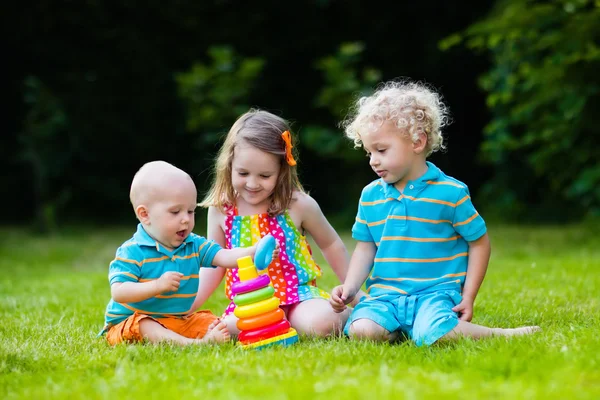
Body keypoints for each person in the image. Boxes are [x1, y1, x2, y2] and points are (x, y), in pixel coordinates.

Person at [330, 79, 540, 346]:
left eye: (381, 150)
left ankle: (501, 335)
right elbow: (366, 247)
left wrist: (469, 296)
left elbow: (479, 242)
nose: (373, 160)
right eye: (369, 151)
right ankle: (399, 328)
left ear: (417, 142)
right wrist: (349, 288)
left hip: (435, 294)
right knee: (362, 331)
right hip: (385, 296)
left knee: (435, 334)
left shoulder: (450, 193)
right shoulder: (371, 195)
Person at [194, 109, 361, 337]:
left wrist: (355, 292)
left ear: (282, 171)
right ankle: (274, 324)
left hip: (298, 297)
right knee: (226, 329)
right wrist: (188, 306)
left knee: (321, 323)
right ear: (229, 164)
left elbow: (331, 245)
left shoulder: (298, 204)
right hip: (252, 302)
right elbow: (214, 264)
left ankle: (339, 317)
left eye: (264, 176)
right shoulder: (222, 209)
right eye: (243, 173)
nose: (252, 184)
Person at [100, 161, 276, 346]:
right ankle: (193, 344)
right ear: (145, 215)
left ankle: (196, 337)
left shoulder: (193, 244)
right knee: (145, 325)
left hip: (175, 321)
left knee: (216, 323)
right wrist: (158, 285)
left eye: (190, 211)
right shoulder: (133, 251)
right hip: (129, 323)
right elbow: (119, 292)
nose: (185, 219)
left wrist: (253, 252)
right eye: (175, 212)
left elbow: (223, 256)